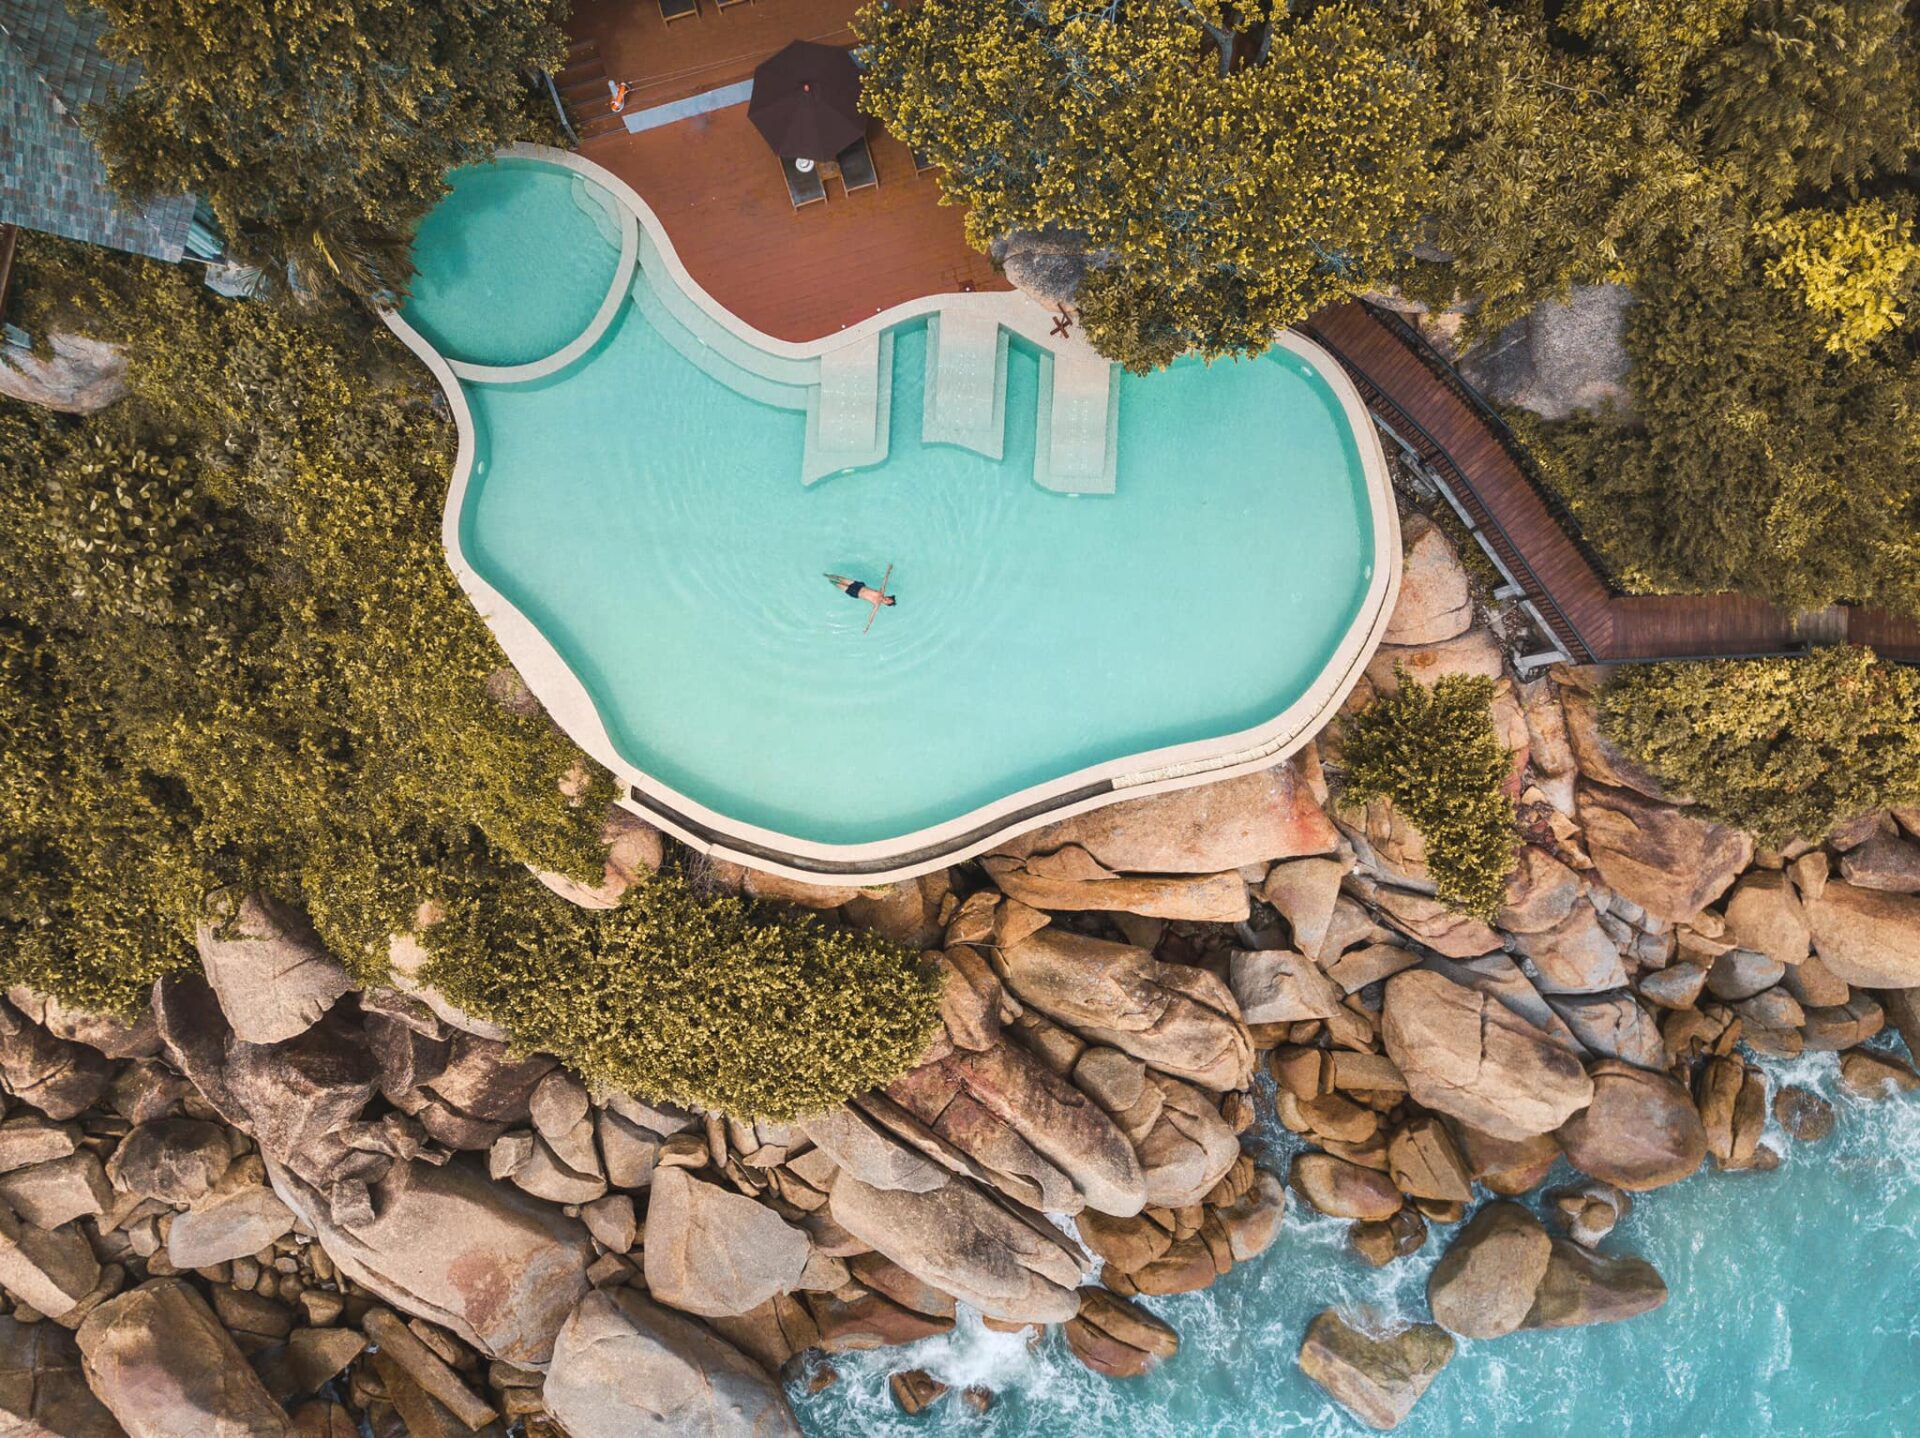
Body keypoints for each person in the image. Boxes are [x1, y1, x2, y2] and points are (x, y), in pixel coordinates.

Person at [824, 565, 897, 632]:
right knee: (841, 578)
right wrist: (888, 570)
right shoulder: (881, 592)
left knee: (837, 584)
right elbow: (884, 581)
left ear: (886, 604)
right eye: (889, 598)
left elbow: (872, 616)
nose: (887, 599)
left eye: (888, 602)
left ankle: (830, 581)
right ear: (888, 596)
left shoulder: (877, 604)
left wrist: (867, 628)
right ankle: (826, 575)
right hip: (859, 586)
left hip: (855, 593)